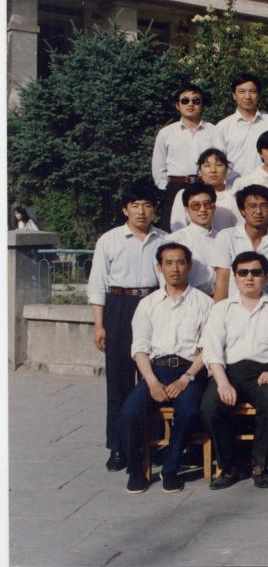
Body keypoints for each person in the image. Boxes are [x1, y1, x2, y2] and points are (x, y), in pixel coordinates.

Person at [117, 242, 211, 493]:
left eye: (180, 262)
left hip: (189, 371)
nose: (174, 269)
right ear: (159, 267)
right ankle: (136, 470)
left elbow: (208, 348)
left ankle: (170, 469)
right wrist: (152, 382)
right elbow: (139, 348)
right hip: (155, 371)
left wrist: (186, 378)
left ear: (189, 266)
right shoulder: (148, 304)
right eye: (168, 263)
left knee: (189, 412)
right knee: (129, 413)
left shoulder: (204, 303)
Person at [87, 182, 168, 472]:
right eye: (135, 205)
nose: (141, 211)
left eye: (147, 205)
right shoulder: (109, 240)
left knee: (154, 376)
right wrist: (99, 324)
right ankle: (119, 446)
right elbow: (97, 284)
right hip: (119, 307)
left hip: (154, 305)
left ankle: (155, 443)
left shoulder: (164, 239)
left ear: (154, 209)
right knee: (119, 380)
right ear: (125, 210)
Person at [200, 251, 268, 489]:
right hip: (229, 372)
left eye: (256, 272)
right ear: (235, 277)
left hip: (265, 371)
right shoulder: (222, 309)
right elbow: (212, 349)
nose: (249, 277)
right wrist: (222, 383)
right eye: (243, 272)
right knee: (210, 409)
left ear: (265, 276)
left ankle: (260, 465)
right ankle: (230, 466)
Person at [151, 84, 225, 230]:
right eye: (185, 101)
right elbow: (158, 166)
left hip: (206, 186)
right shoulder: (166, 133)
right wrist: (167, 189)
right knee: (172, 230)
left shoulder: (214, 131)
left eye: (196, 101)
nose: (190, 104)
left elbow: (222, 161)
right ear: (177, 105)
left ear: (202, 105)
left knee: (208, 228)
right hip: (175, 188)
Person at [212, 185, 268, 301]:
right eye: (252, 206)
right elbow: (222, 280)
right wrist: (219, 310)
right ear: (242, 210)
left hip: (267, 307)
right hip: (234, 307)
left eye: (264, 206)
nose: (258, 211)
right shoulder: (227, 237)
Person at [216, 73, 268, 181]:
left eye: (252, 91)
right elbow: (218, 161)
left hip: (267, 184)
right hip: (233, 185)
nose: (247, 97)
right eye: (242, 91)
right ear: (234, 95)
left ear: (259, 95)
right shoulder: (223, 126)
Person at [168, 148, 240, 233]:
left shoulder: (235, 195)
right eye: (207, 166)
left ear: (227, 169)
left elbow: (240, 227)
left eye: (219, 165)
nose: (213, 170)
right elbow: (177, 228)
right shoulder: (185, 194)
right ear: (200, 171)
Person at [168, 183, 221, 296]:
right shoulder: (176, 240)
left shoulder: (223, 238)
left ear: (214, 207)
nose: (202, 210)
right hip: (190, 299)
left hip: (221, 298)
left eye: (207, 204)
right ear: (187, 210)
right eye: (196, 206)